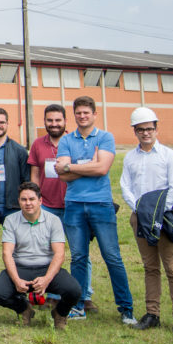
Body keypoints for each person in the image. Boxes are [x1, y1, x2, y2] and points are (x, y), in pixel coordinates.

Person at [55, 96, 136, 325]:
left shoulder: (105, 137)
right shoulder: (66, 140)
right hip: (74, 205)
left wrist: (73, 166)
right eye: (78, 113)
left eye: (86, 113)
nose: (82, 116)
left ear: (94, 114)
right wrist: (88, 165)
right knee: (79, 257)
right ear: (74, 115)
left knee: (112, 257)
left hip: (101, 204)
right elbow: (62, 174)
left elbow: (102, 168)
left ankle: (126, 309)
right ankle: (77, 306)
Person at [121, 107, 173, 334]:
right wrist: (140, 210)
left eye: (149, 129)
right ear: (135, 131)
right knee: (150, 267)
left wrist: (156, 213)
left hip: (164, 219)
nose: (146, 133)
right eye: (141, 130)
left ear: (156, 129)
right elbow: (125, 186)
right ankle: (152, 314)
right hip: (140, 219)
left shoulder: (169, 156)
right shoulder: (130, 158)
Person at [0, 182, 81, 330]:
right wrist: (17, 280)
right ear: (19, 201)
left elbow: (59, 254)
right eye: (23, 199)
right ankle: (24, 309)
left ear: (40, 200)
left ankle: (60, 313)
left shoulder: (53, 220)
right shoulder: (11, 220)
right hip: (20, 268)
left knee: (74, 290)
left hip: (46, 268)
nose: (28, 203)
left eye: (31, 199)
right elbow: (7, 253)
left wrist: (46, 279)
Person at [29, 103, 94, 313]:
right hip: (47, 206)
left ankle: (84, 295)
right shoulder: (38, 144)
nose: (54, 124)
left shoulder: (74, 142)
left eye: (58, 120)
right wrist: (36, 202)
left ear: (66, 121)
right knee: (48, 252)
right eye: (50, 120)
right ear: (45, 122)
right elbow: (35, 174)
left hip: (74, 206)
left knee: (79, 252)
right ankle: (53, 293)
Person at [0, 107, 29, 269]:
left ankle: (18, 289)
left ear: (7, 124)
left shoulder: (19, 151)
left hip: (13, 208)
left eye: (2, 122)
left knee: (17, 252)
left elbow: (26, 181)